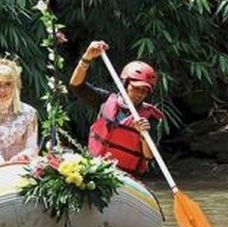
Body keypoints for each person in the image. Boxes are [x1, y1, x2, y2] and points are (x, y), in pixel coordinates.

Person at [69, 40, 163, 176]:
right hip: (95, 168)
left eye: (144, 91)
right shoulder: (105, 100)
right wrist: (87, 58)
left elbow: (149, 156)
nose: (140, 94)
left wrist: (143, 134)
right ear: (124, 84)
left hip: (126, 176)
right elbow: (76, 86)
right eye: (136, 88)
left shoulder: (148, 118)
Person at [0, 58, 38, 163]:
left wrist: (22, 157)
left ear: (15, 86)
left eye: (8, 84)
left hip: (18, 169)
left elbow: (32, 147)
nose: (2, 90)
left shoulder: (28, 112)